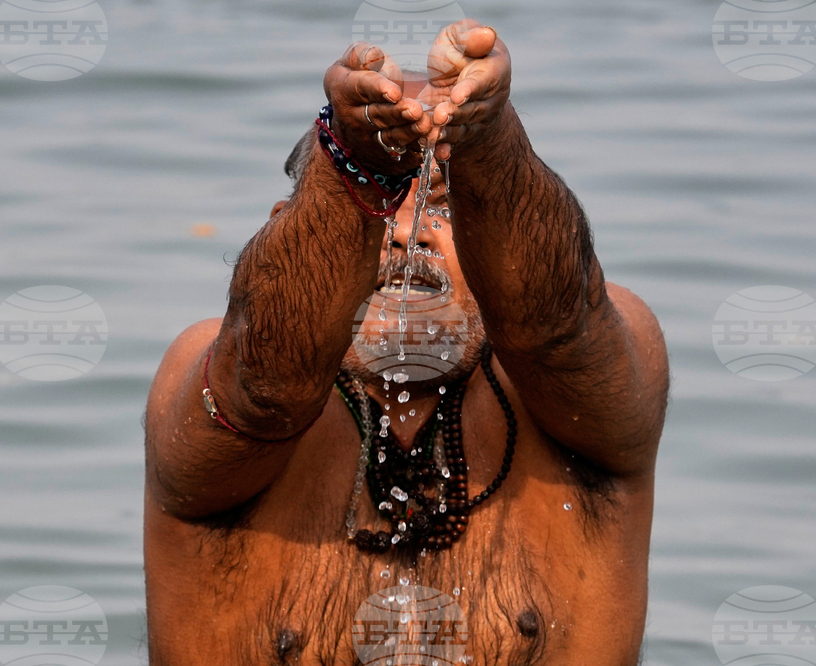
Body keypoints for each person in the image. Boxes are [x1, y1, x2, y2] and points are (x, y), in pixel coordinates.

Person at [144, 20, 669, 666]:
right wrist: (352, 168)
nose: (406, 232)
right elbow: (265, 390)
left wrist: (488, 140)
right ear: (290, 229)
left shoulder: (592, 383)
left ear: (490, 235)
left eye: (443, 205)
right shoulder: (207, 378)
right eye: (384, 202)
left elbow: (555, 332)